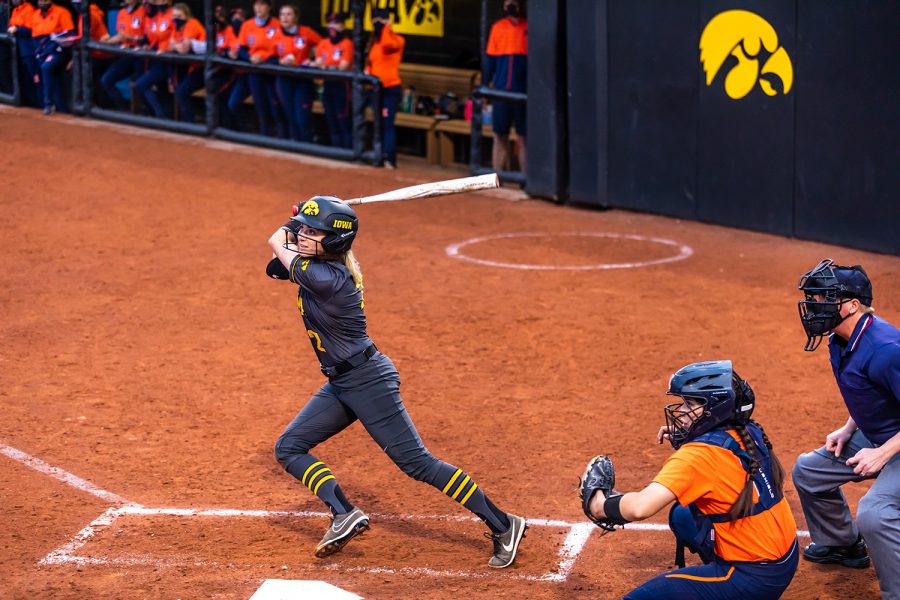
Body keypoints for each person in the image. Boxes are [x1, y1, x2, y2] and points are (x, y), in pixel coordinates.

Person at [265, 196, 526, 567]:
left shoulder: (329, 278)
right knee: (290, 447)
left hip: (367, 381)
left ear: (336, 240)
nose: (305, 236)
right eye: (305, 231)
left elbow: (276, 242)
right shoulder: (317, 267)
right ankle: (344, 513)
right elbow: (274, 267)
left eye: (314, 232)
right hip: (342, 383)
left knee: (417, 464)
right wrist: (311, 216)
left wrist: (294, 221)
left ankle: (504, 524)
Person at [581, 360, 798, 599]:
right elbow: (718, 463)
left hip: (751, 578)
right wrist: (691, 434)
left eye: (690, 404)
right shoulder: (748, 431)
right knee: (682, 514)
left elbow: (641, 507)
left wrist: (599, 505)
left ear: (714, 410)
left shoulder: (698, 457)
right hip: (785, 558)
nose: (681, 410)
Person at [792, 259, 900, 598]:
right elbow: (870, 392)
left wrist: (883, 452)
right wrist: (848, 427)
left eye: (824, 298)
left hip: (893, 446)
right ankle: (843, 545)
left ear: (852, 305)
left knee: (875, 514)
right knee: (809, 470)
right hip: (880, 437)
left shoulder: (886, 350)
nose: (813, 305)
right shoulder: (840, 340)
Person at [229, 0, 284, 137]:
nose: (258, 8)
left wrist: (265, 59)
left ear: (269, 7)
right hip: (253, 70)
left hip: (272, 71)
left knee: (275, 107)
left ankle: (282, 138)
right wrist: (250, 58)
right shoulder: (247, 25)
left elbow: (282, 50)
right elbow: (242, 49)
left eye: (262, 4)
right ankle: (261, 135)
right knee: (259, 105)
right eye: (256, 4)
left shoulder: (277, 25)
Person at [483, 0, 527, 174]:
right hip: (501, 91)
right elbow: (490, 61)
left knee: (524, 138)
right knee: (499, 134)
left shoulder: (528, 27)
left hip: (523, 92)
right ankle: (496, 176)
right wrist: (485, 86)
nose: (511, 6)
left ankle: (526, 179)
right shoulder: (497, 27)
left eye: (514, 3)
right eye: (508, 2)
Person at [273, 3, 320, 142]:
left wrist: (313, 60)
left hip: (302, 80)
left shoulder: (306, 32)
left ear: (296, 17)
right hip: (284, 79)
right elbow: (268, 56)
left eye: (289, 14)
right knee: (290, 116)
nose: (285, 17)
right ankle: (296, 146)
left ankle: (308, 145)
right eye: (282, 14)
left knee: (302, 118)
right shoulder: (275, 34)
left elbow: (325, 47)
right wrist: (279, 62)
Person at [365, 8, 404, 167]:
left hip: (390, 88)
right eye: (375, 20)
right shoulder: (374, 43)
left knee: (387, 124)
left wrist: (386, 27)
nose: (378, 23)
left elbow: (388, 44)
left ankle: (390, 159)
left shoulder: (397, 39)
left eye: (382, 20)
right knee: (378, 123)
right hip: (376, 89)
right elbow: (372, 64)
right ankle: (379, 156)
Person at [312, 12, 352, 148]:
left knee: (342, 119)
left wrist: (325, 65)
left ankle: (347, 151)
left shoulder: (347, 43)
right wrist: (326, 65)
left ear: (342, 26)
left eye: (336, 23)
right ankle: (336, 151)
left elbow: (343, 67)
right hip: (327, 84)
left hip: (342, 86)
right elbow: (317, 63)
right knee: (330, 119)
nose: (333, 27)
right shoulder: (323, 43)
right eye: (331, 23)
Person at [99, 0, 144, 112]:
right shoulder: (122, 12)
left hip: (142, 55)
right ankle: (125, 111)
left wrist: (132, 38)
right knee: (106, 80)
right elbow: (120, 36)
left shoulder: (144, 11)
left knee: (141, 85)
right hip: (127, 54)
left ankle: (152, 115)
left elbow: (149, 37)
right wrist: (107, 41)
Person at [30, 0, 74, 114]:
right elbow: (34, 35)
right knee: (53, 79)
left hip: (58, 49)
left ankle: (48, 104)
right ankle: (62, 108)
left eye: (45, 0)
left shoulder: (61, 12)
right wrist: (38, 52)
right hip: (42, 49)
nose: (42, 2)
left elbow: (70, 34)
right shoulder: (36, 14)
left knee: (46, 68)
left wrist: (56, 44)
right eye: (40, 0)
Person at [133, 0, 173, 118]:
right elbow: (153, 37)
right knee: (162, 89)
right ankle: (164, 116)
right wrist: (147, 45)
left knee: (142, 84)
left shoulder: (171, 16)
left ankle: (160, 116)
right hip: (157, 58)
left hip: (169, 59)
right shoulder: (157, 16)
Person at [168, 2, 205, 122]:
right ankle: (185, 120)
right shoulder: (176, 26)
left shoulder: (192, 24)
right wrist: (176, 45)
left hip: (203, 68)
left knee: (181, 91)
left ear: (187, 16)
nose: (176, 19)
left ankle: (190, 124)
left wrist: (176, 45)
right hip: (190, 67)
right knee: (177, 88)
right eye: (174, 16)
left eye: (179, 16)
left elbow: (184, 49)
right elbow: (170, 45)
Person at [7, 0, 40, 107]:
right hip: (18, 50)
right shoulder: (15, 10)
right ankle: (30, 104)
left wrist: (18, 29)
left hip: (29, 49)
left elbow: (32, 30)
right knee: (24, 80)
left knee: (34, 78)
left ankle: (39, 104)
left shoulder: (29, 9)